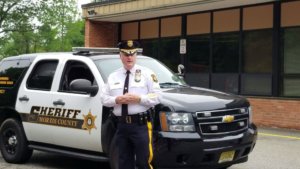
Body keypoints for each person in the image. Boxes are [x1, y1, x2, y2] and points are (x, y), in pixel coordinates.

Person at [101, 40, 161, 169]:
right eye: (126, 54)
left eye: (132, 54)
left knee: (144, 161)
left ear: (136, 56)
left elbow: (157, 97)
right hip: (121, 126)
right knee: (123, 162)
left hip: (141, 125)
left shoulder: (147, 74)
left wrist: (139, 98)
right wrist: (117, 100)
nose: (129, 57)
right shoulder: (113, 76)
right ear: (120, 56)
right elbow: (104, 99)